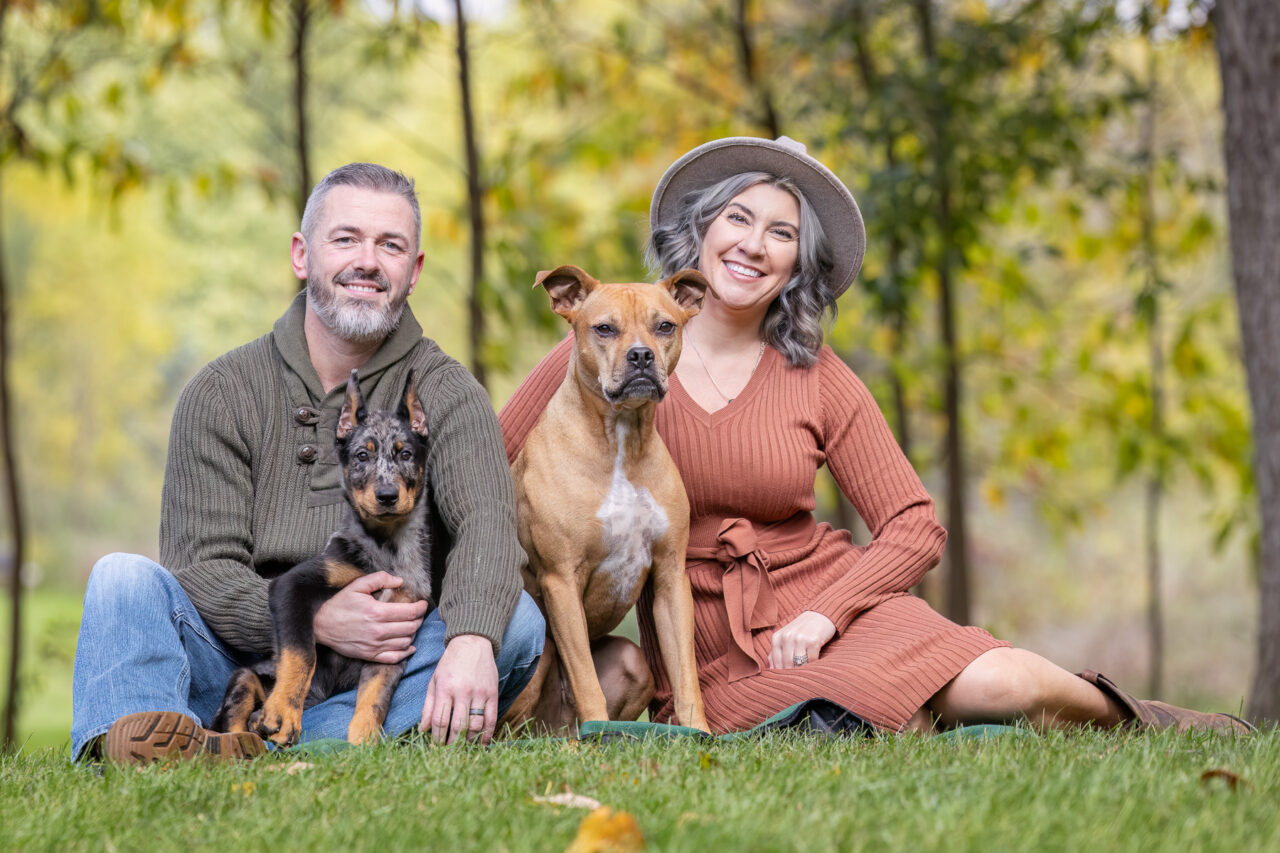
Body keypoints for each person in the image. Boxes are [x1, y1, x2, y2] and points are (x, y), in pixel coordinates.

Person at [499, 137, 1253, 735]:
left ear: (798, 261)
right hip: (708, 640)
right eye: (738, 219)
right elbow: (486, 465)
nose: (754, 245)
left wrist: (828, 610)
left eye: (781, 232)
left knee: (1004, 680)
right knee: (866, 719)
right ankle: (900, 714)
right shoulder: (602, 348)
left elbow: (915, 524)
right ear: (700, 229)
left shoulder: (814, 371)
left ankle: (1155, 724)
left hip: (826, 600)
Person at [72, 163, 545, 763]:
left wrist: (473, 640)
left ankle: (242, 749)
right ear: (302, 254)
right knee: (120, 578)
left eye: (390, 245)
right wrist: (316, 622)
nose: (368, 261)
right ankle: (138, 733)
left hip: (386, 661)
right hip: (244, 661)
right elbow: (201, 568)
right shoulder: (222, 391)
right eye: (346, 238)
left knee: (516, 625)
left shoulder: (447, 393)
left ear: (415, 270)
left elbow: (489, 531)